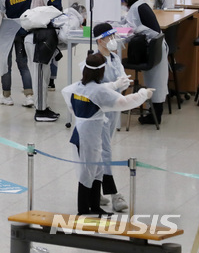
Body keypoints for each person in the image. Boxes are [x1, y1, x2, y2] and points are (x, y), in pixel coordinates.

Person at [62, 53, 152, 215]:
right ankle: (83, 209)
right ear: (100, 71)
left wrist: (113, 85)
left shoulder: (77, 86)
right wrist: (143, 94)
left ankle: (95, 206)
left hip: (83, 133)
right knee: (87, 172)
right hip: (88, 137)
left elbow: (77, 96)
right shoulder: (98, 92)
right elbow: (124, 102)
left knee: (96, 170)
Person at [93, 23, 131, 212]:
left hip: (113, 109)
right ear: (100, 40)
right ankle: (115, 195)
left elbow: (122, 80)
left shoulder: (115, 58)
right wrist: (115, 85)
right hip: (98, 114)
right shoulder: (94, 61)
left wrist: (121, 84)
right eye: (110, 37)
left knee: (103, 151)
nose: (113, 40)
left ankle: (95, 188)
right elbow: (95, 89)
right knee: (105, 151)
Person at [118, 0, 169, 124]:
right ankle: (154, 115)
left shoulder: (136, 8)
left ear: (126, 0)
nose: (122, 5)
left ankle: (154, 117)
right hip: (156, 47)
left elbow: (132, 29)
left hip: (153, 49)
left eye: (122, 2)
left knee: (155, 83)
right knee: (156, 83)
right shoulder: (140, 5)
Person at [34, 0, 63, 91]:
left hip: (45, 26)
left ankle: (44, 81)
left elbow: (37, 10)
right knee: (53, 54)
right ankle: (52, 81)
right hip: (56, 25)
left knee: (45, 54)